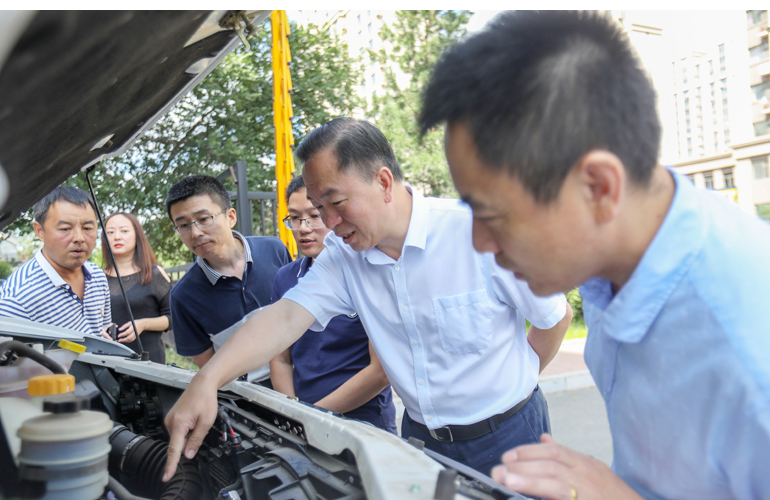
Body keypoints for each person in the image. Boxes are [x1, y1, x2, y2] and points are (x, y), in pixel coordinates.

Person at [418, 10, 770, 500]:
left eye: (492, 215)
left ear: (599, 187)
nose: (479, 242)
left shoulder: (749, 353)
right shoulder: (613, 260)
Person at [162, 118, 572, 482]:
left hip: (509, 436)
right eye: (319, 208)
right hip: (421, 442)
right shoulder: (344, 256)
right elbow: (283, 319)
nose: (329, 222)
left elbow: (555, 318)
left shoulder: (480, 233)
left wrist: (516, 387)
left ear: (383, 182)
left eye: (336, 203)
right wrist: (207, 380)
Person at [270, 174, 396, 433]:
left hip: (363, 424)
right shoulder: (285, 278)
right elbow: (280, 358)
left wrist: (312, 416)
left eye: (314, 215)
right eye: (295, 218)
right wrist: (292, 411)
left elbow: (381, 371)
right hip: (303, 422)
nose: (304, 228)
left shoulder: (368, 270)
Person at [165, 175, 291, 377]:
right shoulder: (183, 296)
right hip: (247, 394)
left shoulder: (274, 250)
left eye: (203, 219)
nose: (195, 233)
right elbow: (211, 371)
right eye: (183, 225)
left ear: (231, 217)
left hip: (302, 378)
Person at [0, 186, 111, 336]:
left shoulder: (98, 276)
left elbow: (104, 331)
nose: (79, 238)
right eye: (65, 228)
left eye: (87, 228)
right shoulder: (18, 299)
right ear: (39, 231)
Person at [101, 212, 172, 363]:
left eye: (124, 231)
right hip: (106, 363)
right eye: (110, 232)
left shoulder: (154, 273)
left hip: (148, 363)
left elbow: (174, 318)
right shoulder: (96, 277)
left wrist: (143, 324)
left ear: (137, 236)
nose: (117, 237)